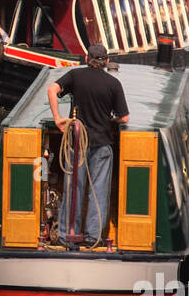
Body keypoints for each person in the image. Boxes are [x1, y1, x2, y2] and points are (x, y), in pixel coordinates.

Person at [46, 44, 129, 248]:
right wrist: (112, 121)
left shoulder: (75, 75)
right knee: (98, 191)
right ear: (107, 62)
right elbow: (124, 117)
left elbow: (52, 89)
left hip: (76, 144)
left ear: (86, 58)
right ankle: (93, 237)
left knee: (73, 188)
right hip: (101, 144)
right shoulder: (113, 83)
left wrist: (57, 118)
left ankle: (67, 236)